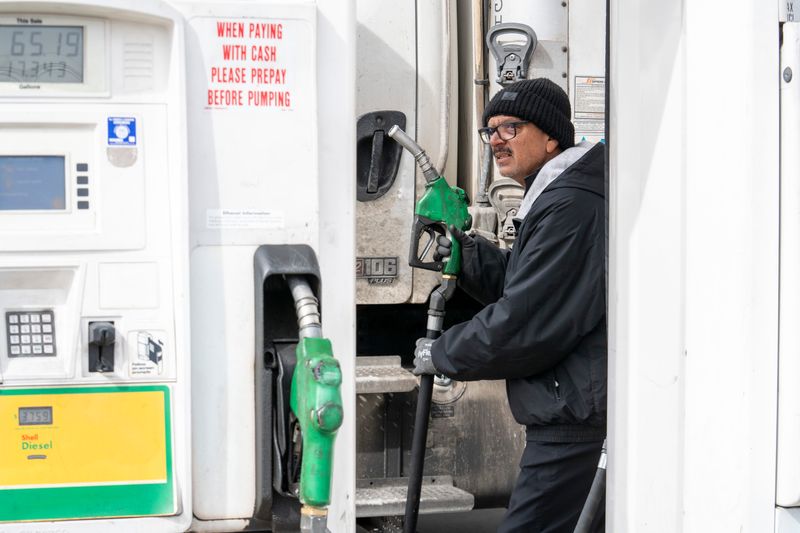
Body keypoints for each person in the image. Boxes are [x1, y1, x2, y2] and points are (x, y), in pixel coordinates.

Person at [413, 77, 607, 533]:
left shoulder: (572, 205)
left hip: (573, 423)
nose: (496, 141)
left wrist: (442, 353)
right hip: (570, 409)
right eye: (490, 131)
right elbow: (529, 285)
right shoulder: (556, 197)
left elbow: (530, 320)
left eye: (510, 128)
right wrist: (466, 254)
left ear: (551, 134)